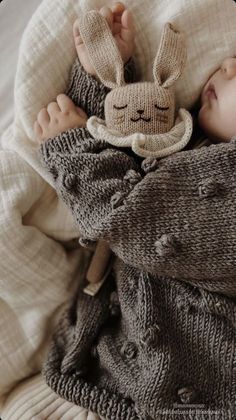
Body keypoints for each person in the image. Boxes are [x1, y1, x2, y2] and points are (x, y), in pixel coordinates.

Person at [34, 3, 236, 419]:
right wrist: (109, 73)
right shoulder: (195, 146)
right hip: (127, 356)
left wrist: (73, 147)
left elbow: (133, 218)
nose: (228, 65)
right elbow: (129, 146)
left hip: (191, 388)